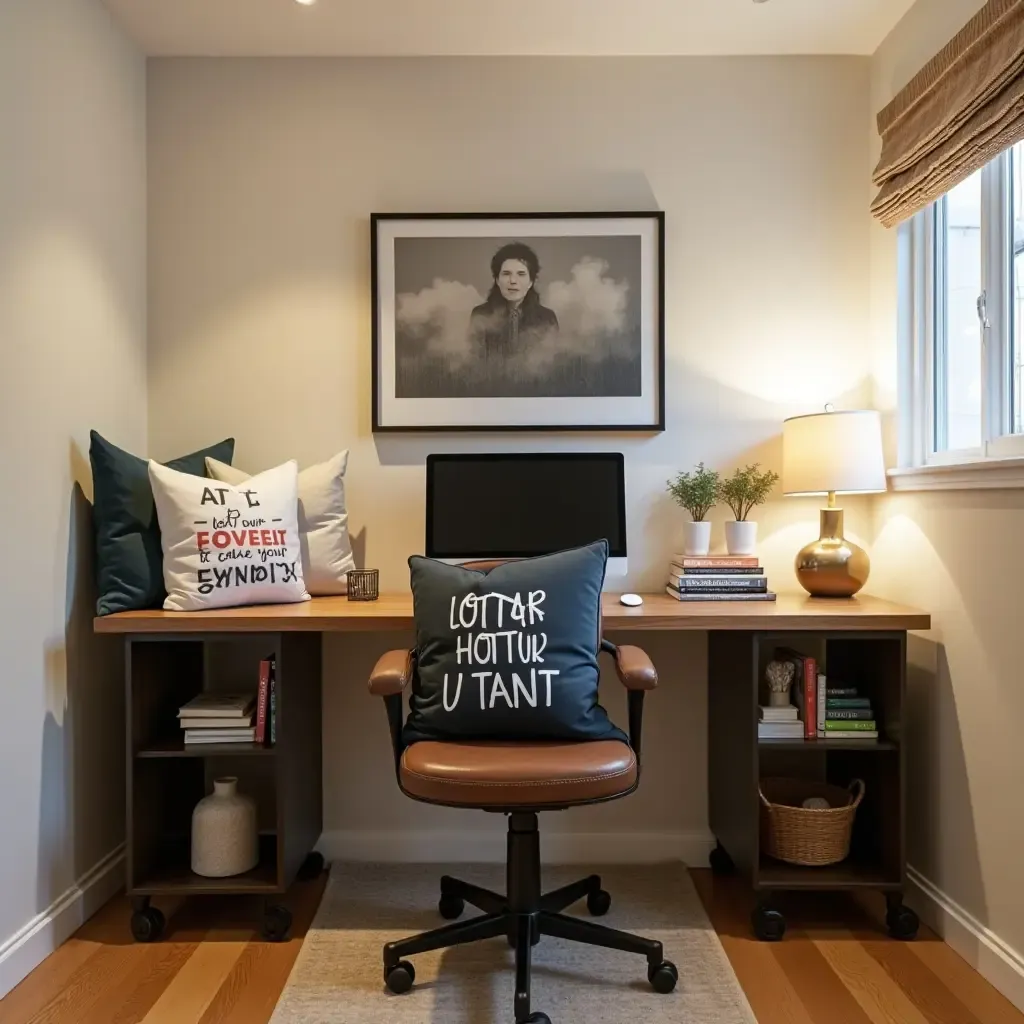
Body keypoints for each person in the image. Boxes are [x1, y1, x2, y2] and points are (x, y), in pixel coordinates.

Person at [468, 243, 559, 359]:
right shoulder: (480, 314)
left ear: (531, 282)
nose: (513, 281)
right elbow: (474, 360)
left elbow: (552, 363)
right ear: (497, 279)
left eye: (521, 274)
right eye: (506, 274)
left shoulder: (547, 318)